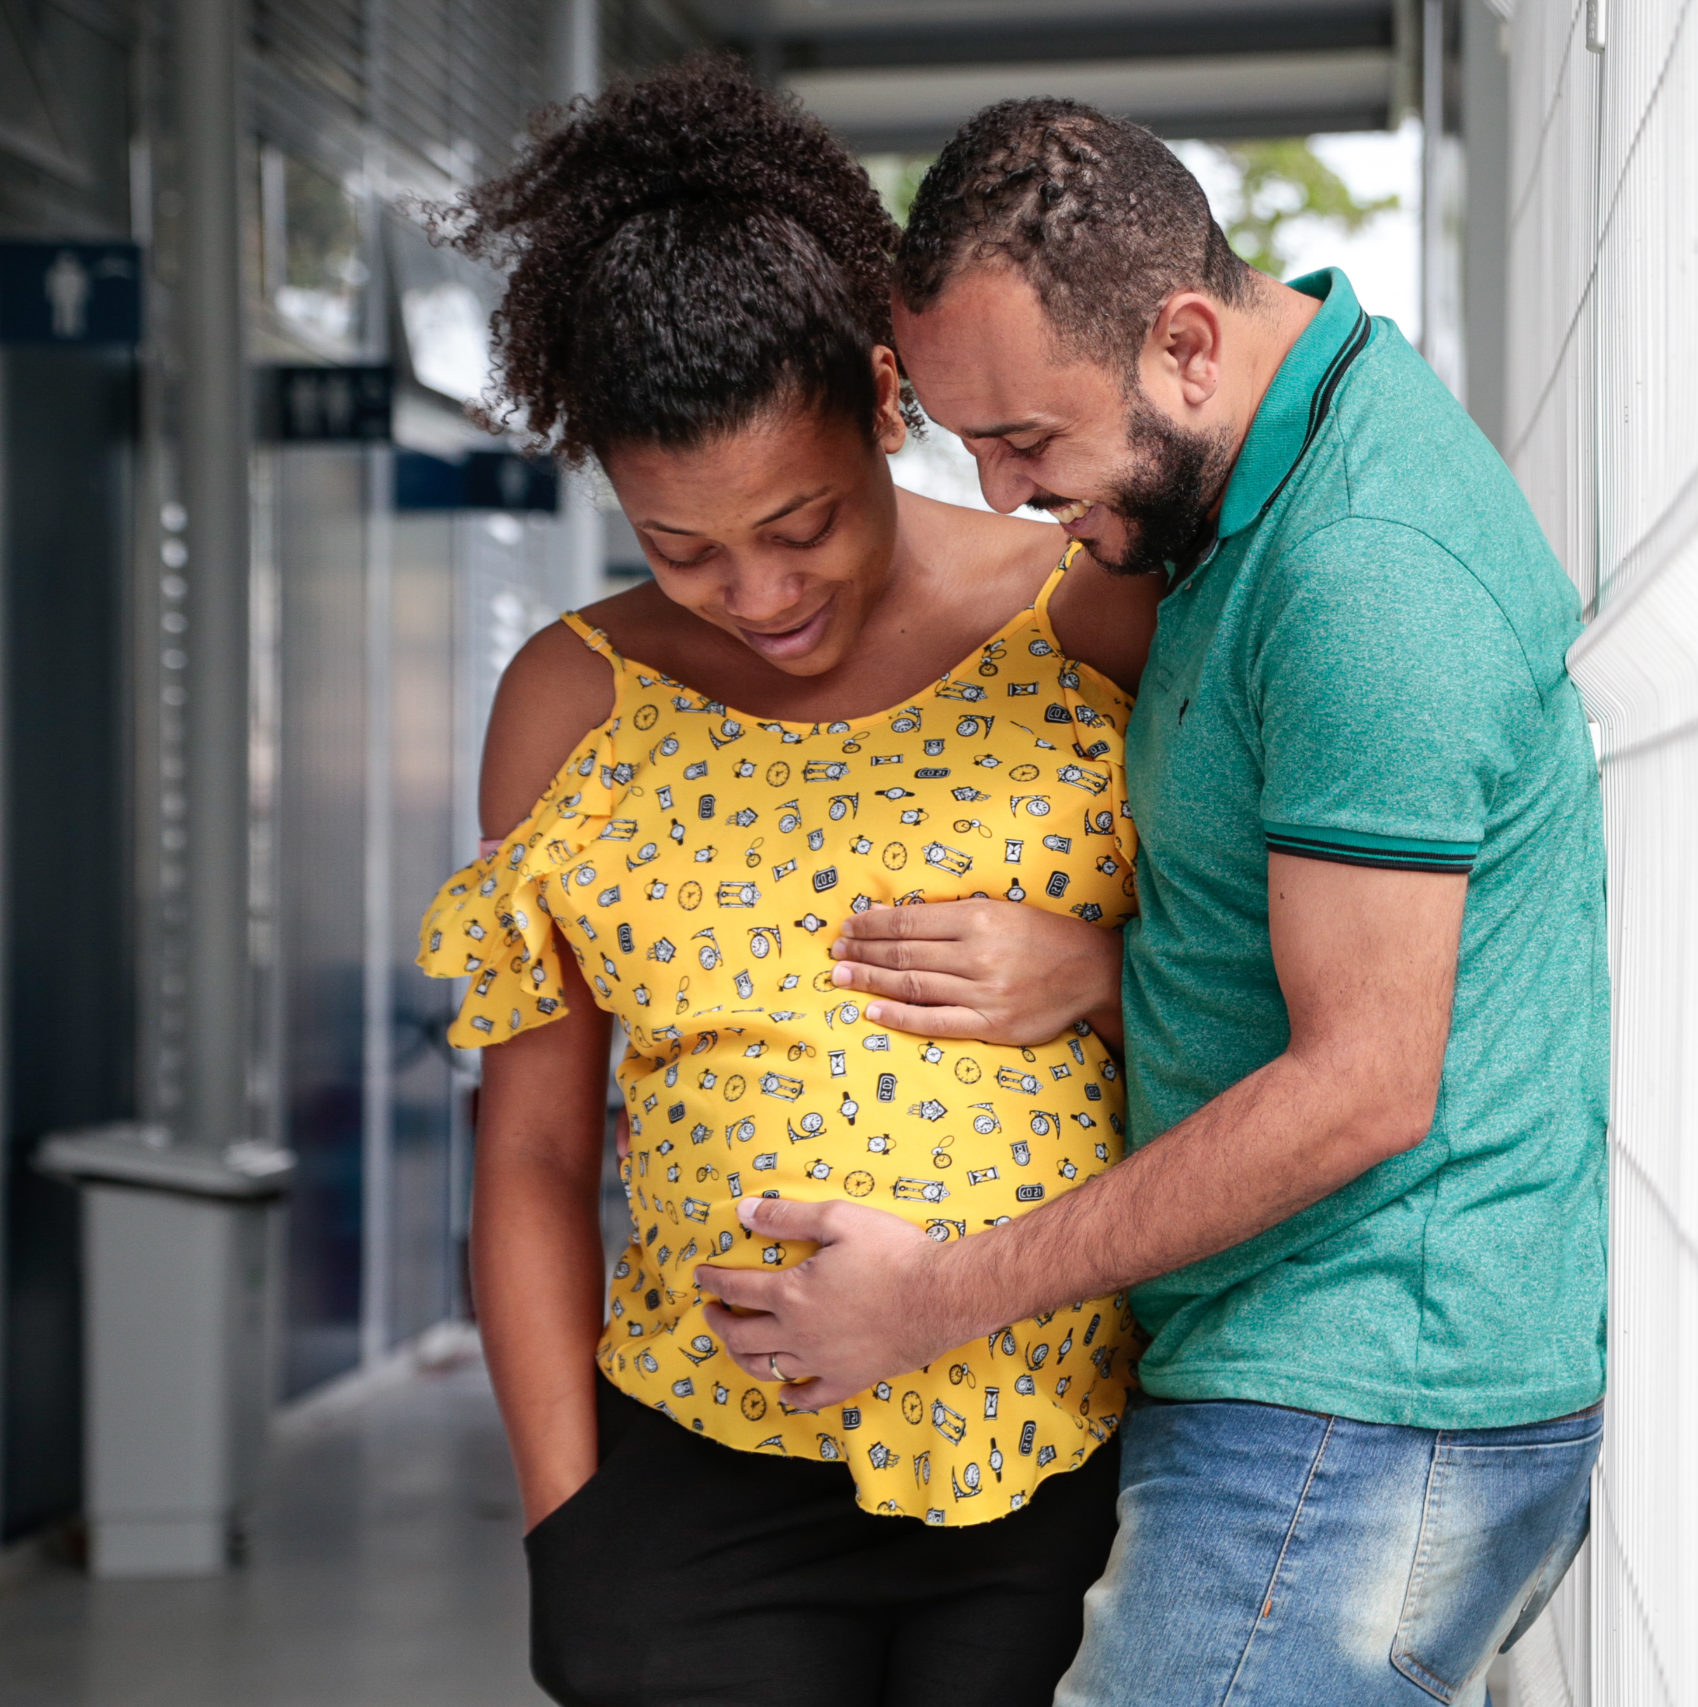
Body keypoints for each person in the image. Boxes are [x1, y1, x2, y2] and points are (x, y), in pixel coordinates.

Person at [696, 99, 1610, 1707]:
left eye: (1029, 445)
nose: (1000, 493)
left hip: (1358, 1412)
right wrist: (1111, 970)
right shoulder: (1267, 450)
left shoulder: (1362, 573)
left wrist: (928, 1303)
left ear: (1186, 340)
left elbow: (1364, 1086)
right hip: (1309, 1391)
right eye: (966, 445)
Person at [414, 63, 1159, 1707]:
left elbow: (1284, 978)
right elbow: (533, 1147)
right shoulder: (574, 699)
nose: (758, 592)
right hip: (697, 1497)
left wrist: (1105, 972)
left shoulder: (1095, 615)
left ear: (886, 397)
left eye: (802, 522)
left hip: (1056, 1468)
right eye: (684, 546)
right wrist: (569, 1520)